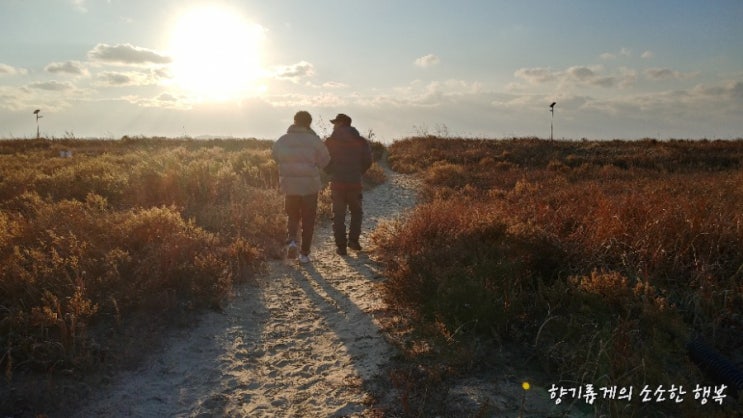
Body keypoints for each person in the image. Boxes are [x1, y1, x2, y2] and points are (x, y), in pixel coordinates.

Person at [272, 110, 330, 263]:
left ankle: (291, 241)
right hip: (310, 186)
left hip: (290, 186)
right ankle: (304, 254)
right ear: (309, 123)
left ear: (294, 121)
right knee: (308, 219)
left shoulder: (283, 140)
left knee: (292, 215)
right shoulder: (314, 140)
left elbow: (275, 156)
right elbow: (325, 160)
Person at [324, 113, 373, 256]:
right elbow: (368, 161)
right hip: (354, 182)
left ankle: (341, 247)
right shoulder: (361, 141)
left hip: (337, 182)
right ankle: (353, 241)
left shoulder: (330, 141)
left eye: (335, 123)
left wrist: (330, 171)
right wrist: (358, 172)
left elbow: (323, 159)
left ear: (340, 124)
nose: (333, 125)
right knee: (356, 212)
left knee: (338, 215)